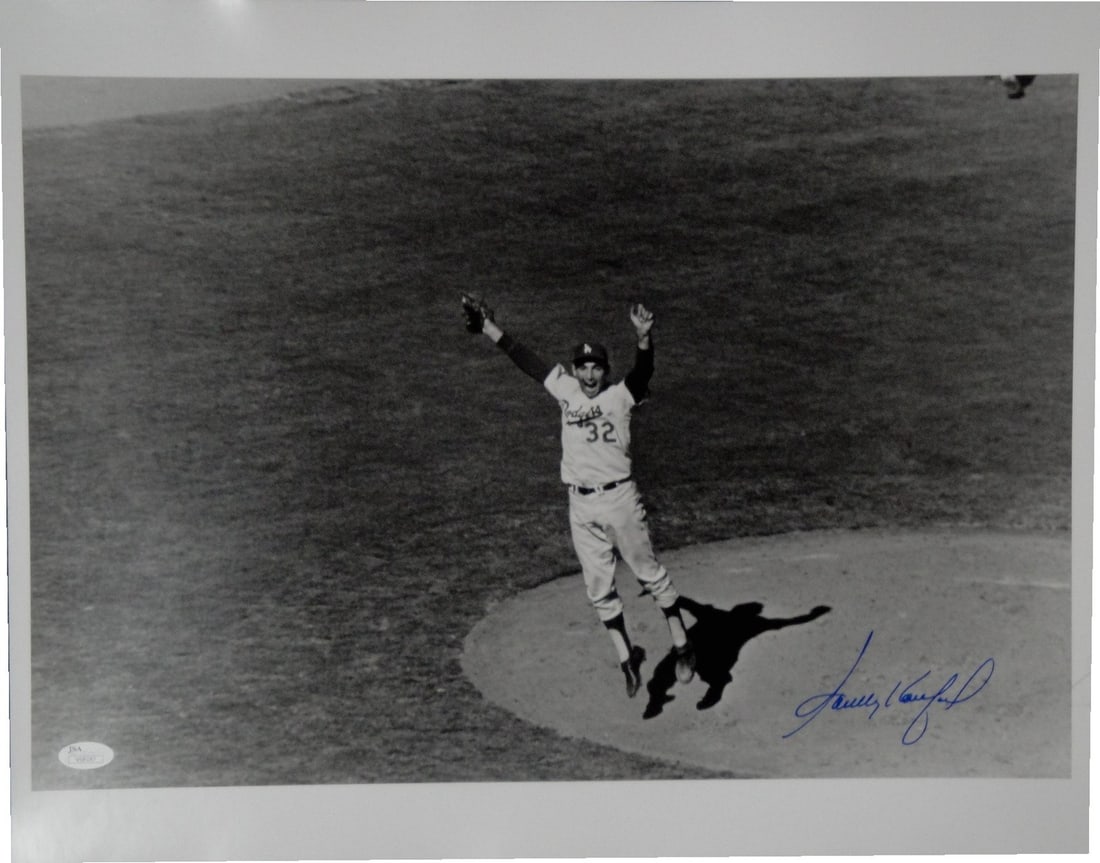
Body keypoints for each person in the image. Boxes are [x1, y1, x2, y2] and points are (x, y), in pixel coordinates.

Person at [463, 296, 695, 697]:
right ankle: (626, 659)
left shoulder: (620, 396)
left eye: (596, 367)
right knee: (598, 586)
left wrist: (644, 338)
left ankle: (682, 642)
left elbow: (643, 372)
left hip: (620, 501)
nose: (589, 374)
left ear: (605, 371)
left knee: (648, 573)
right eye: (583, 367)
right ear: (574, 370)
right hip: (581, 505)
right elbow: (527, 359)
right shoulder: (566, 390)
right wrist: (488, 328)